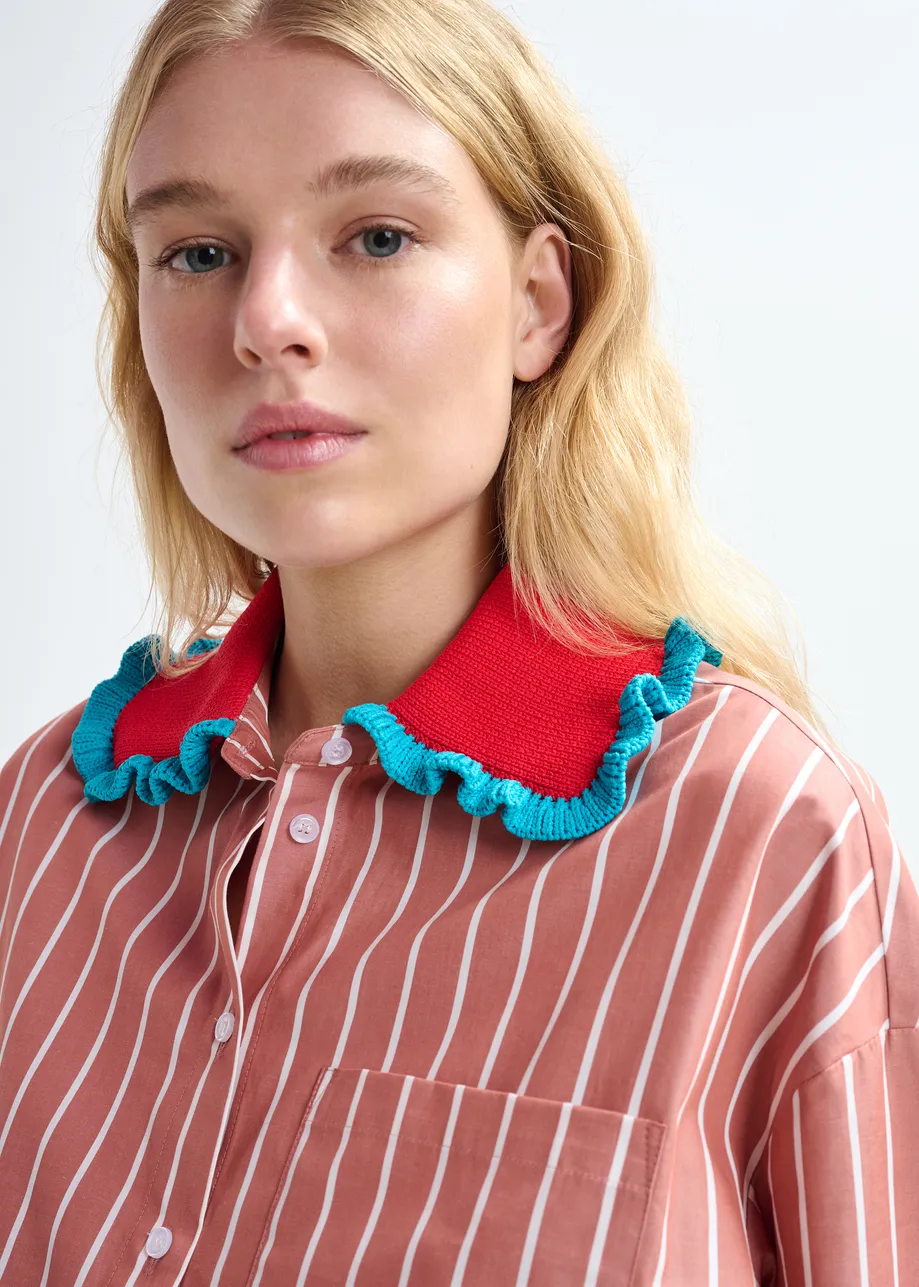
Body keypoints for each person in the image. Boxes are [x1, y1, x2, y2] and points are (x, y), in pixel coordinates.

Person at [0, 0, 915, 1282]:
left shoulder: (763, 835)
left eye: (375, 236)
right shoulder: (36, 833)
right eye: (197, 253)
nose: (267, 320)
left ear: (540, 304)